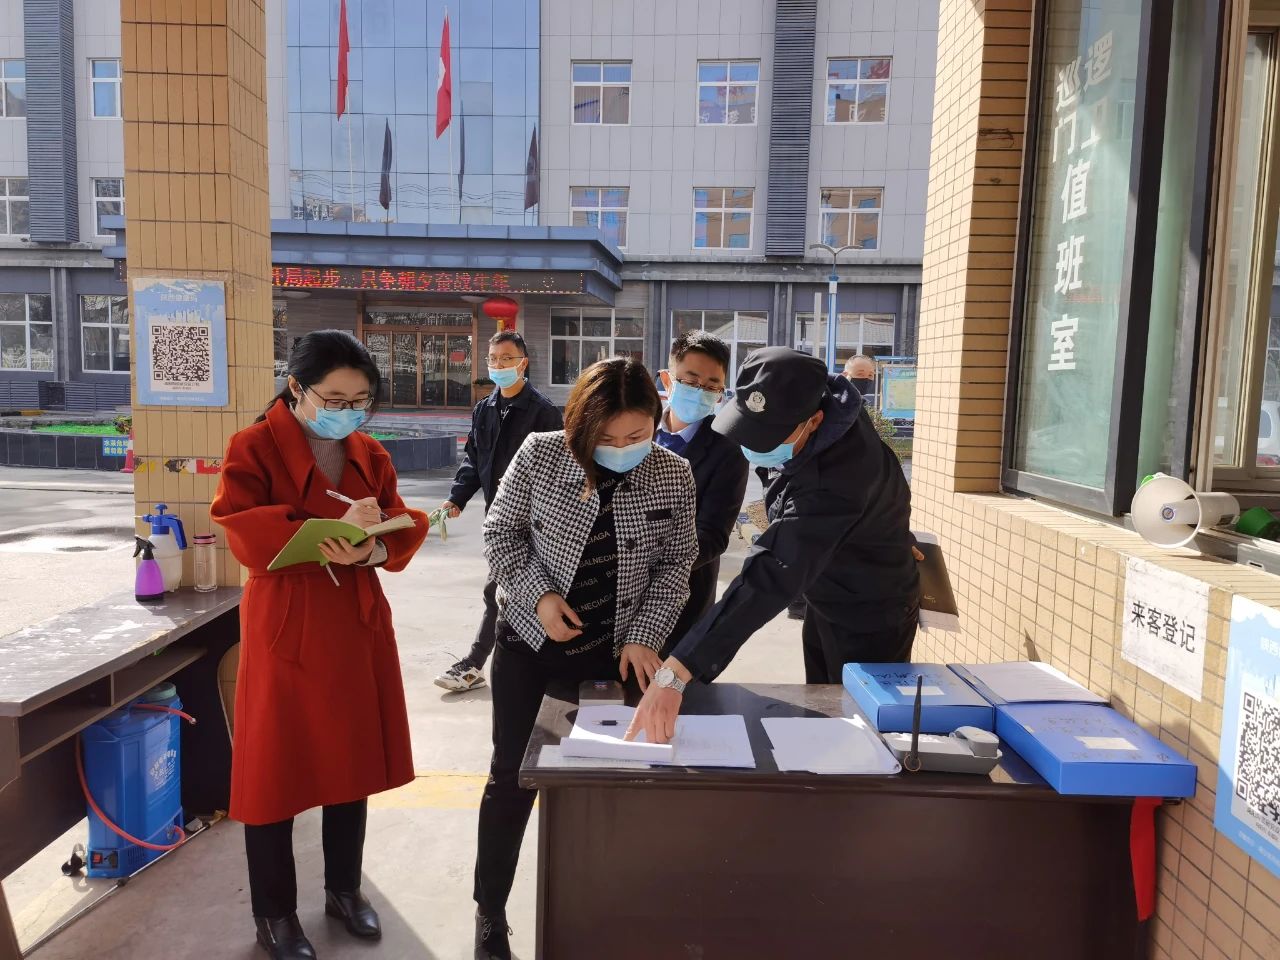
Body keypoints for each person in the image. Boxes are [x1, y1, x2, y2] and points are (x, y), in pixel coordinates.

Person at [211, 331, 430, 960]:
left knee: (348, 762)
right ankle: (275, 914)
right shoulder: (253, 446)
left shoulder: (368, 451)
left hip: (353, 618)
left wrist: (373, 548)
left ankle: (343, 890)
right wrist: (323, 530)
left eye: (361, 401)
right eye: (335, 399)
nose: (349, 412)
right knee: (274, 771)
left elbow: (398, 519)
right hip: (288, 622)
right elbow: (241, 528)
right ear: (296, 388)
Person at [473, 357, 697, 959]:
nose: (622, 450)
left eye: (636, 436)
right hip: (532, 644)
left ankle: (605, 909)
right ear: (579, 426)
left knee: (611, 783)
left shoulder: (673, 472)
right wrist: (539, 595)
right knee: (511, 779)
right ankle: (490, 911)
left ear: (655, 422)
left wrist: (645, 634)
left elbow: (676, 563)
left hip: (615, 656)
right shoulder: (541, 455)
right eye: (606, 439)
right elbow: (500, 534)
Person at [626, 346, 920, 746]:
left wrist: (676, 671)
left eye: (766, 437)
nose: (755, 449)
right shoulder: (823, 404)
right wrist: (887, 527)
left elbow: (769, 577)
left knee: (862, 734)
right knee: (824, 708)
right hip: (823, 590)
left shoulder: (834, 481)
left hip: (870, 610)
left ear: (813, 421)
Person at [435, 331, 562, 693]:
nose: (499, 365)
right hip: (499, 520)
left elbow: (559, 470)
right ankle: (519, 663)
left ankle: (475, 663)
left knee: (502, 590)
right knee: (509, 592)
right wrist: (457, 498)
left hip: (536, 522)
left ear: (523, 363)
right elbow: (474, 460)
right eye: (493, 358)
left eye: (507, 358)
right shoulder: (485, 409)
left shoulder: (543, 412)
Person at [654, 330, 750, 654]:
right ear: (668, 380)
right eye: (691, 381)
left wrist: (650, 562)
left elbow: (712, 536)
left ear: (721, 393)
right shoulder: (636, 430)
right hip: (615, 597)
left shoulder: (728, 450)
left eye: (711, 386)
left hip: (682, 601)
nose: (700, 391)